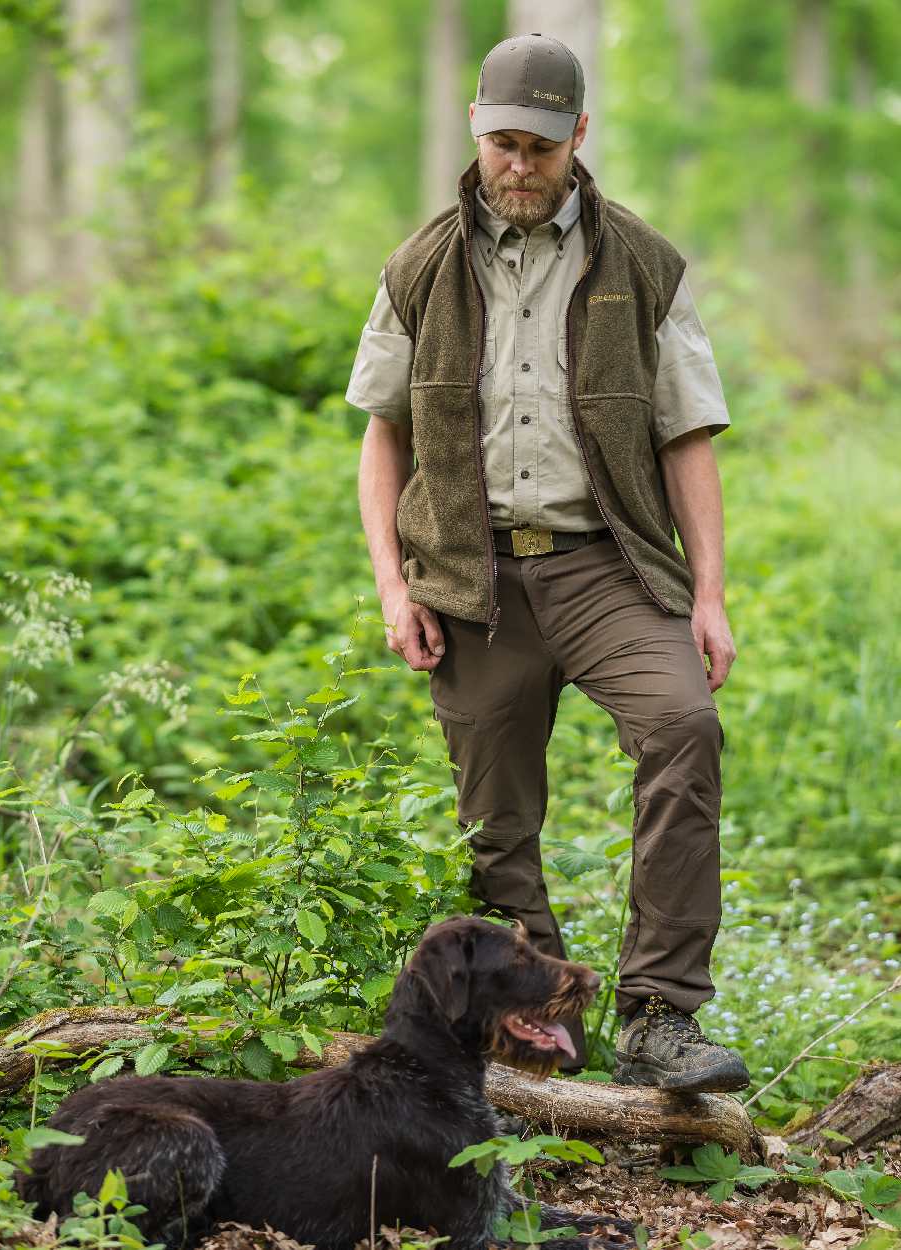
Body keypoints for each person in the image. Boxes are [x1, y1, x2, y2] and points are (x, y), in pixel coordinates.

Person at [347, 32, 749, 1093]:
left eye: (536, 144)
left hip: (604, 564)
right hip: (471, 580)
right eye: (499, 145)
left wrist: (706, 595)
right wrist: (395, 584)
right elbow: (381, 435)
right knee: (494, 822)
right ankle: (529, 1032)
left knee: (682, 724)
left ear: (579, 134)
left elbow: (687, 435)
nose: (516, 166)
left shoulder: (645, 264)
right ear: (476, 137)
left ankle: (660, 1016)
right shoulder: (419, 264)